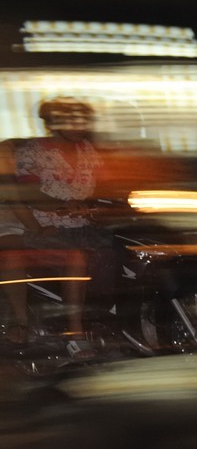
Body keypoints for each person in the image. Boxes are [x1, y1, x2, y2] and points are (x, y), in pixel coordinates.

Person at [0, 97, 116, 352]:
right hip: (49, 226)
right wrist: (65, 206)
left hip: (86, 226)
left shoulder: (88, 150)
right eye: (72, 120)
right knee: (75, 258)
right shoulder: (33, 153)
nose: (80, 125)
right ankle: (75, 335)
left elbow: (108, 183)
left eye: (83, 120)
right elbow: (29, 193)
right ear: (53, 124)